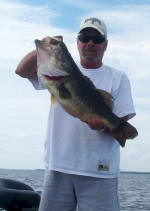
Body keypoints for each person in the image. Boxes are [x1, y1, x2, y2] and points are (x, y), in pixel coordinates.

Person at [15, 17, 136, 211]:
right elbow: (21, 70)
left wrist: (104, 125)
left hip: (99, 172)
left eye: (96, 39)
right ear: (77, 43)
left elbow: (121, 119)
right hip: (57, 168)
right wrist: (44, 45)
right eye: (84, 37)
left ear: (105, 45)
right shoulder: (54, 71)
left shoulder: (118, 77)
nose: (90, 43)